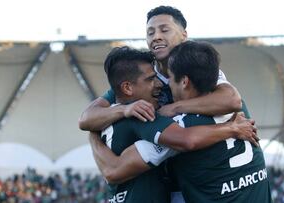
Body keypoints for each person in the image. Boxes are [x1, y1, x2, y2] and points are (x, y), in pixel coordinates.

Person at [91, 41, 271, 202]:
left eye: (168, 77)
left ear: (184, 81)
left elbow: (114, 170)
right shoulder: (237, 107)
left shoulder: (179, 126)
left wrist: (93, 135)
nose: (164, 84)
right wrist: (231, 127)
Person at [78, 5, 248, 132]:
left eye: (164, 30)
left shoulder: (198, 65)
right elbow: (86, 119)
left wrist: (174, 108)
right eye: (150, 32)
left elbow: (231, 100)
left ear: (184, 35)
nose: (156, 37)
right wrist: (124, 109)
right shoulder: (141, 75)